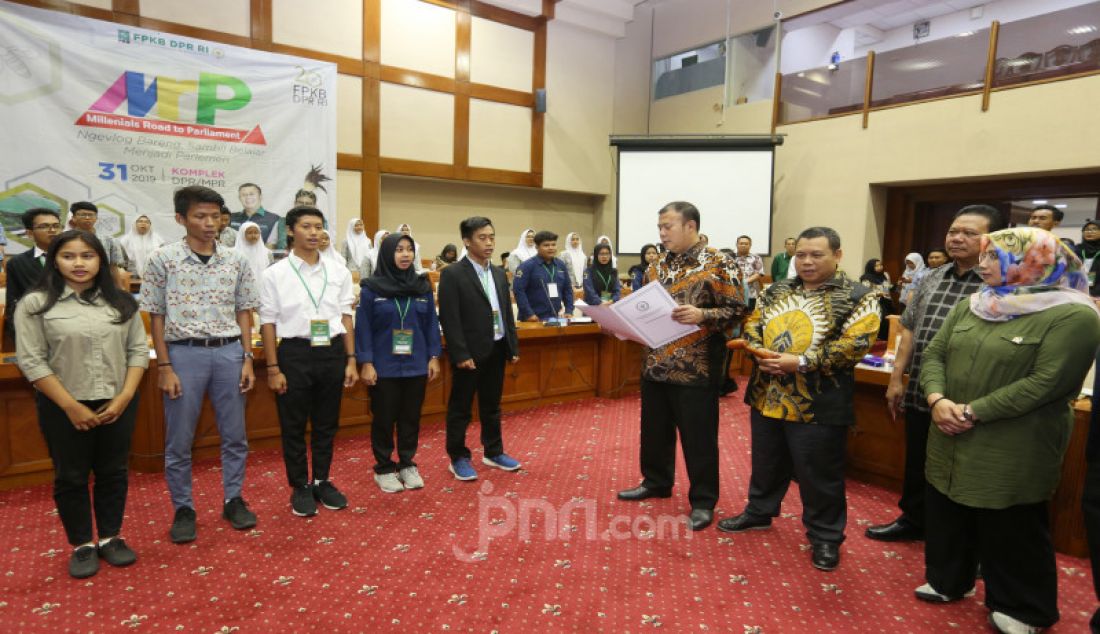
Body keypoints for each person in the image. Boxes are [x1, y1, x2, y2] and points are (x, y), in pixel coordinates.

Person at [915, 227, 1100, 634]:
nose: (981, 265)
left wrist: (971, 411)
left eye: (992, 257)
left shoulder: (1074, 315)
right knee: (947, 505)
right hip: (949, 426)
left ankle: (1024, 608)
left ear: (1035, 261)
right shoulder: (976, 303)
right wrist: (936, 399)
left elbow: (1045, 383)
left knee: (1010, 522)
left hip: (1015, 440)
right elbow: (935, 353)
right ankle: (950, 580)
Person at [717, 226, 880, 572]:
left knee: (819, 472)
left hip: (819, 400)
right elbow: (753, 324)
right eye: (800, 255)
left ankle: (825, 536)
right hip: (768, 393)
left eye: (816, 255)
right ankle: (759, 512)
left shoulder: (859, 295)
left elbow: (856, 343)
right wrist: (757, 351)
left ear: (837, 255)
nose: (806, 261)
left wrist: (802, 362)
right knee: (767, 460)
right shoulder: (776, 289)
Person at [869, 205, 1006, 544]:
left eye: (970, 233)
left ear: (993, 239)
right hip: (920, 386)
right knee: (918, 459)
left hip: (968, 393)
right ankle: (914, 519)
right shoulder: (931, 276)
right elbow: (909, 329)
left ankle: (963, 538)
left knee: (965, 467)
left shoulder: (1001, 282)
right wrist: (896, 378)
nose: (957, 238)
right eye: (953, 231)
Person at [15, 230, 147, 579]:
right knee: (71, 476)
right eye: (69, 256)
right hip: (63, 405)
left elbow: (137, 352)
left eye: (87, 256)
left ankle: (110, 537)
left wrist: (124, 397)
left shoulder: (121, 302)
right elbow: (32, 361)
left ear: (100, 260)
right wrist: (72, 407)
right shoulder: (36, 303)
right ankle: (81, 544)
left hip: (117, 402)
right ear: (55, 260)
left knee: (114, 472)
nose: (78, 263)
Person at [140, 185, 261, 544]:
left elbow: (244, 311)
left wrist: (247, 358)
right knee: (179, 439)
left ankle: (233, 498)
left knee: (235, 435)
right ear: (181, 218)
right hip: (183, 354)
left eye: (215, 217)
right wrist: (164, 366)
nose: (210, 224)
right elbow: (156, 316)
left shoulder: (236, 260)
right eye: (200, 216)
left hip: (229, 353)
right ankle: (184, 508)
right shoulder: (163, 259)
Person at [618, 202, 743, 532]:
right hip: (655, 363)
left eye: (667, 227)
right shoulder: (657, 263)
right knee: (654, 431)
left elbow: (739, 310)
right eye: (659, 227)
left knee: (698, 439)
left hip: (696, 368)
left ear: (691, 226)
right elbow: (643, 303)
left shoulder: (719, 263)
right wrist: (624, 321)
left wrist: (704, 315)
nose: (661, 233)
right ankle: (656, 481)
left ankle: (703, 501)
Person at [259, 207, 357, 517]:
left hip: (331, 351)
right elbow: (268, 322)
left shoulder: (338, 271)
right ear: (291, 231)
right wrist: (273, 368)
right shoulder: (274, 274)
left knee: (327, 423)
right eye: (306, 226)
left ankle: (323, 480)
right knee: (294, 424)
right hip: (295, 353)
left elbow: (346, 316)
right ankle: (300, 485)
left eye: (318, 227)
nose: (313, 233)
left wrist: (351, 359)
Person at [437, 216, 521, 481]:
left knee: (492, 405)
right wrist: (460, 354)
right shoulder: (452, 273)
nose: (489, 243)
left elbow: (506, 311)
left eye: (492, 237)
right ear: (467, 241)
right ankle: (458, 457)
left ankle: (493, 452)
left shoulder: (497, 272)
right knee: (461, 408)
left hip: (496, 347)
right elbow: (449, 318)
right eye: (482, 238)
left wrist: (511, 345)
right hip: (469, 353)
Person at [356, 234, 441, 493]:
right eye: (399, 250)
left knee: (410, 418)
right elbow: (363, 328)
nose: (405, 255)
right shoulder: (371, 287)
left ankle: (407, 463)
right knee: (384, 418)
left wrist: (434, 356)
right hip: (384, 365)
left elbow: (430, 325)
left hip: (416, 363)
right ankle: (383, 467)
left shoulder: (422, 285)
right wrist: (366, 362)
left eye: (409, 250)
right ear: (386, 254)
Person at [4, 208, 61, 348]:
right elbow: (14, 304)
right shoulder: (17, 263)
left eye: (56, 225)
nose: (52, 230)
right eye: (44, 226)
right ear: (30, 233)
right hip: (37, 331)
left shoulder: (75, 259)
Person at [513, 230, 574, 321]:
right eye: (546, 245)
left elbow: (567, 289)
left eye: (553, 245)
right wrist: (529, 314)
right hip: (532, 319)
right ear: (537, 247)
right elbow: (519, 291)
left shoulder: (560, 265)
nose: (551, 248)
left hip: (555, 317)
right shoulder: (526, 266)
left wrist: (569, 311)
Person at [68, 202, 127, 283]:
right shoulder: (64, 240)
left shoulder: (109, 241)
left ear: (96, 218)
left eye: (91, 215)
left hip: (102, 284)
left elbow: (113, 268)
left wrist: (119, 290)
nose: (87, 218)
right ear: (73, 218)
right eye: (83, 215)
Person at [229, 183, 285, 249]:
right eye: (243, 195)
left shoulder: (274, 219)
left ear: (260, 197)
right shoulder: (230, 218)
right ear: (239, 198)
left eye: (251, 194)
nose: (248, 197)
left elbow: (273, 245)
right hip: (233, 258)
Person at [119, 215, 165, 280]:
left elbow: (162, 260)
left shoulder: (158, 240)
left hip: (154, 276)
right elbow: (121, 262)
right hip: (132, 276)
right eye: (140, 221)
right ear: (135, 224)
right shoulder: (125, 240)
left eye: (147, 222)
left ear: (150, 225)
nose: (143, 223)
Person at [860, 258, 894, 337]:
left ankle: (885, 340)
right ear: (871, 267)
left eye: (880, 265)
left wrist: (896, 286)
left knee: (887, 322)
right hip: (875, 303)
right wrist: (878, 293)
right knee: (879, 321)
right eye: (876, 266)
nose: (880, 267)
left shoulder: (884, 275)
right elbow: (866, 292)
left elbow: (887, 287)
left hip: (886, 302)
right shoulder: (866, 278)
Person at [733, 235, 764, 311]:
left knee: (749, 316)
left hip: (751, 293)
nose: (743, 245)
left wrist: (745, 282)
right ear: (736, 244)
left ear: (750, 245)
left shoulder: (756, 258)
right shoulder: (731, 257)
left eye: (746, 244)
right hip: (733, 293)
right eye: (741, 243)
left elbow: (759, 273)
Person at [1077, 219, 1100, 291]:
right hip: (1077, 291)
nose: (1089, 232)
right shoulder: (1077, 249)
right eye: (1086, 230)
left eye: (1094, 229)